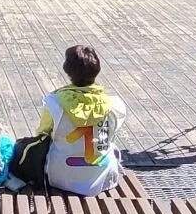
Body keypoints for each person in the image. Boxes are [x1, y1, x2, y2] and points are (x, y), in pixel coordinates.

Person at [36, 45, 128, 196]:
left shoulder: (54, 103)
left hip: (61, 175)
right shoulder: (115, 104)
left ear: (67, 70)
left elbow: (42, 133)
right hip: (102, 176)